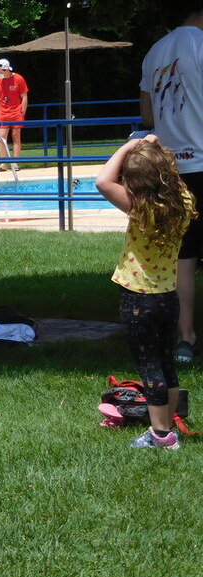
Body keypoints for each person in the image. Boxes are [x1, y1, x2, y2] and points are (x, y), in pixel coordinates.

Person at [95, 134, 196, 449]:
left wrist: (128, 146)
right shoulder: (184, 201)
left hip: (139, 299)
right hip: (168, 298)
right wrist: (153, 151)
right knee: (166, 361)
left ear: (134, 180)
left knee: (149, 366)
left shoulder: (139, 208)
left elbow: (102, 181)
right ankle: (169, 424)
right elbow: (170, 175)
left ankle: (160, 436)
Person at [140, 9, 203, 364]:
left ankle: (185, 338)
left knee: (184, 258)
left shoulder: (156, 51)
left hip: (172, 169)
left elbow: (148, 115)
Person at [0, 58, 28, 172]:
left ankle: (15, 163)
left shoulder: (18, 78)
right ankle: (3, 164)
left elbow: (24, 97)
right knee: (2, 137)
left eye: (0, 71)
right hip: (2, 113)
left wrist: (22, 113)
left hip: (16, 112)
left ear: (6, 70)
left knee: (16, 136)